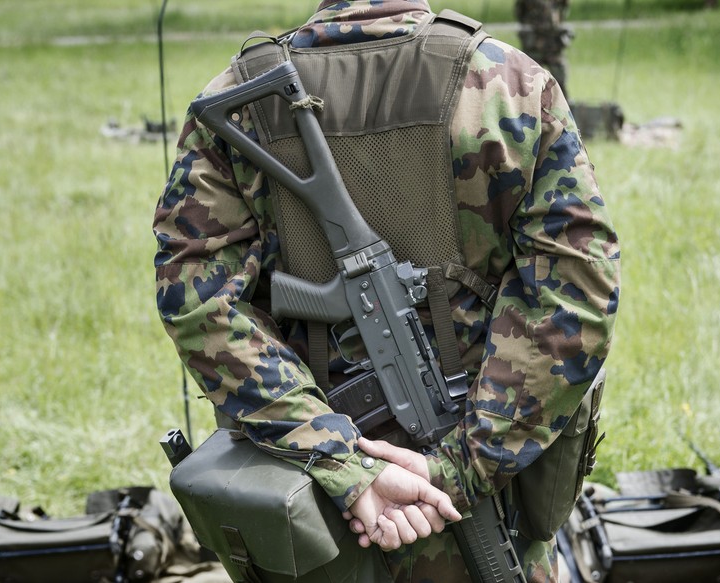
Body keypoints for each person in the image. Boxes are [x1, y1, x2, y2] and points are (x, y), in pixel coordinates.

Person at [152, 1, 620, 581]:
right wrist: (463, 466)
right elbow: (577, 290)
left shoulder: (244, 98)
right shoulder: (510, 83)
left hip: (315, 520)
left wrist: (340, 461)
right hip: (478, 500)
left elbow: (198, 301)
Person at [515, 0, 573, 100]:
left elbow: (564, 7)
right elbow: (519, 11)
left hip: (553, 44)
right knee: (529, 82)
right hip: (534, 45)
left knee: (560, 82)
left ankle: (564, 110)